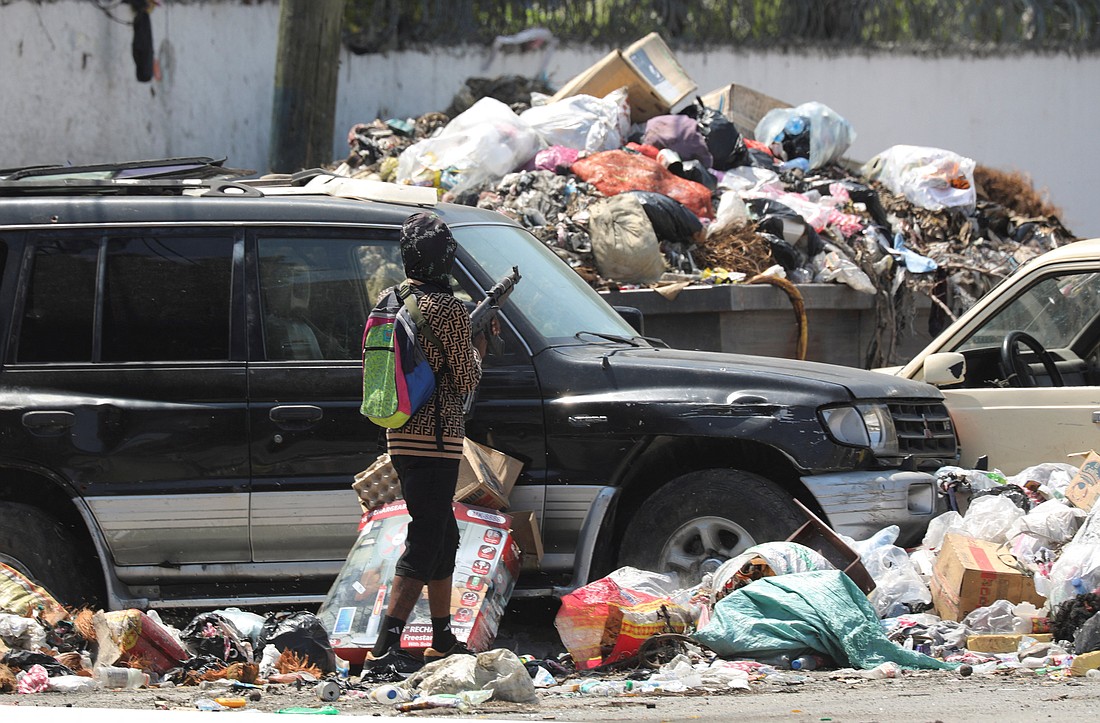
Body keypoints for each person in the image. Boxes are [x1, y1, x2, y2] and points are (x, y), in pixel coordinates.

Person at [366, 211, 489, 674]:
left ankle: (441, 636)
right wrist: (480, 343)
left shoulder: (389, 298)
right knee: (426, 537)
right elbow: (466, 378)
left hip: (400, 431)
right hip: (436, 439)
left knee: (444, 535)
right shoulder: (450, 307)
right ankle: (385, 645)